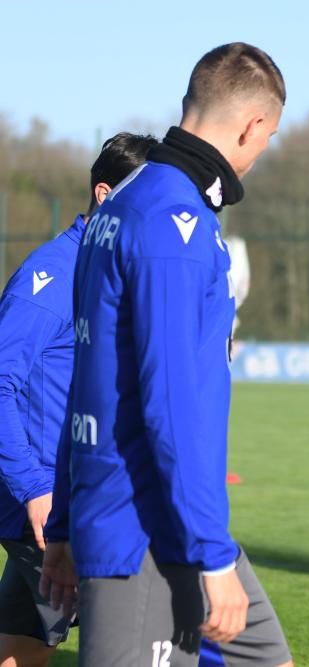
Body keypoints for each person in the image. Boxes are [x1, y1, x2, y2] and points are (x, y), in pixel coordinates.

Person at [40, 43, 293, 667]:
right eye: (270, 137)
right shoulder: (173, 225)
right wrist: (210, 554)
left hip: (150, 515)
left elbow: (87, 379)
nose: (261, 153)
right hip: (147, 530)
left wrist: (66, 522)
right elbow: (172, 403)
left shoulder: (121, 206)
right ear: (253, 125)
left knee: (268, 658)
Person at [0, 132, 157, 667]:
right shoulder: (50, 277)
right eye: (144, 199)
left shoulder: (108, 270)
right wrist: (34, 487)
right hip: (47, 507)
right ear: (105, 194)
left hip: (79, 496)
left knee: (22, 644)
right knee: (145, 637)